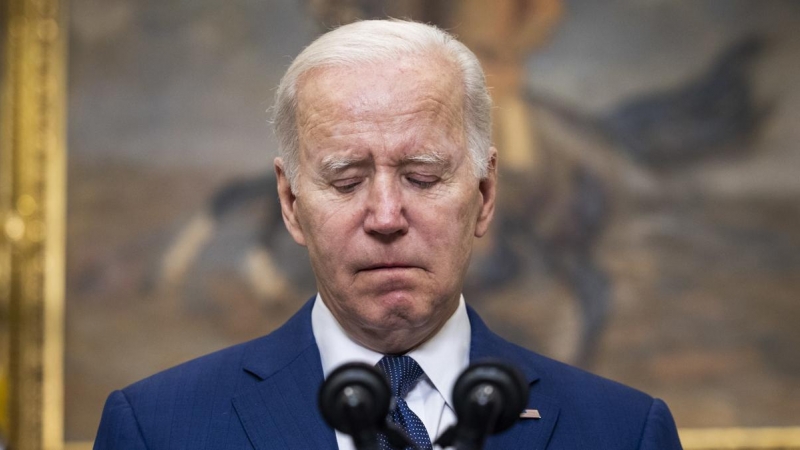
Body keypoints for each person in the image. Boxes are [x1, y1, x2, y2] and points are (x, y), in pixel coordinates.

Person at [94, 19, 682, 450]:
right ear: (291, 204)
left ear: (485, 194)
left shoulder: (624, 432)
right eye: (346, 180)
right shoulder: (156, 428)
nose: (385, 217)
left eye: (422, 177)